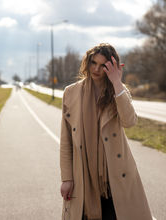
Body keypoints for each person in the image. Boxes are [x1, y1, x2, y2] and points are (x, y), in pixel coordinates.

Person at [60, 43, 153, 220]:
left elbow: (130, 122)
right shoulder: (70, 93)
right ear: (87, 62)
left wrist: (117, 84)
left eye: (103, 65)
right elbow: (66, 141)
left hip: (115, 175)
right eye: (93, 62)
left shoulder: (118, 91)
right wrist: (66, 178)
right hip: (84, 174)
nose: (96, 69)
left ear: (112, 66)